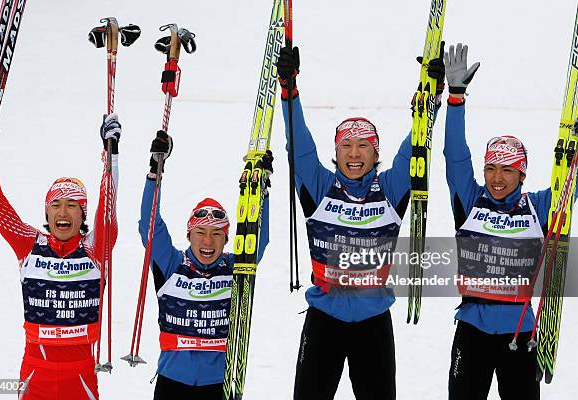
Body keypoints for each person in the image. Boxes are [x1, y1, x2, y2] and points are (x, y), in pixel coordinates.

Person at [276, 46, 444, 399]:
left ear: (375, 153)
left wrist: (431, 96)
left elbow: (415, 146)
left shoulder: (392, 188)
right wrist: (288, 89)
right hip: (324, 320)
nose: (354, 154)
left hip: (373, 323)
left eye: (364, 146)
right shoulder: (319, 187)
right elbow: (300, 144)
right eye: (347, 146)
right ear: (335, 153)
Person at [443, 43, 578, 400]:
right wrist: (455, 98)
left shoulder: (539, 208)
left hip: (520, 332)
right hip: (471, 329)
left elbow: (571, 181)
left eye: (507, 169)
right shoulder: (469, 202)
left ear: (522, 173)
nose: (497, 177)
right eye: (490, 168)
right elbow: (454, 155)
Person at [0, 111, 122, 399]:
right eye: (56, 205)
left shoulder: (94, 249)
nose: (63, 212)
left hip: (81, 376)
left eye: (73, 205)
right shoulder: (29, 244)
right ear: (47, 212)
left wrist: (110, 159)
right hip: (35, 375)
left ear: (83, 213)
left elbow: (108, 212)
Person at [139, 130, 273, 399]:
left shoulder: (235, 268)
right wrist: (155, 172)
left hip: (218, 384)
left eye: (216, 234)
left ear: (226, 239)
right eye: (201, 233)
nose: (208, 241)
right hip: (172, 382)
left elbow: (258, 240)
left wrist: (260, 193)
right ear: (189, 235)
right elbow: (149, 226)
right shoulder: (172, 265)